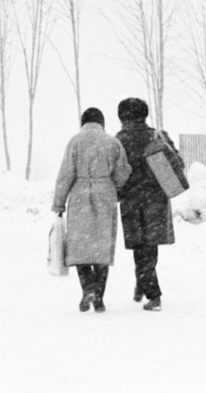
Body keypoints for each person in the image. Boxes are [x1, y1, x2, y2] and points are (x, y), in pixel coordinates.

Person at [52, 108, 131, 313]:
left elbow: (65, 174)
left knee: (80, 246)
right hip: (105, 194)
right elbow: (123, 172)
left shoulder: (75, 142)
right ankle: (99, 296)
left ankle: (88, 288)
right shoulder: (112, 142)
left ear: (83, 122)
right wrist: (113, 184)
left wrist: (59, 203)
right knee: (101, 248)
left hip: (79, 195)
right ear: (102, 122)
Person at [115, 98, 182, 312]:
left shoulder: (118, 140)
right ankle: (143, 280)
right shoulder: (158, 135)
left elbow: (114, 171)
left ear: (122, 116)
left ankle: (152, 294)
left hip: (131, 200)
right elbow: (178, 162)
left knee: (140, 246)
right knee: (149, 246)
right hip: (156, 199)